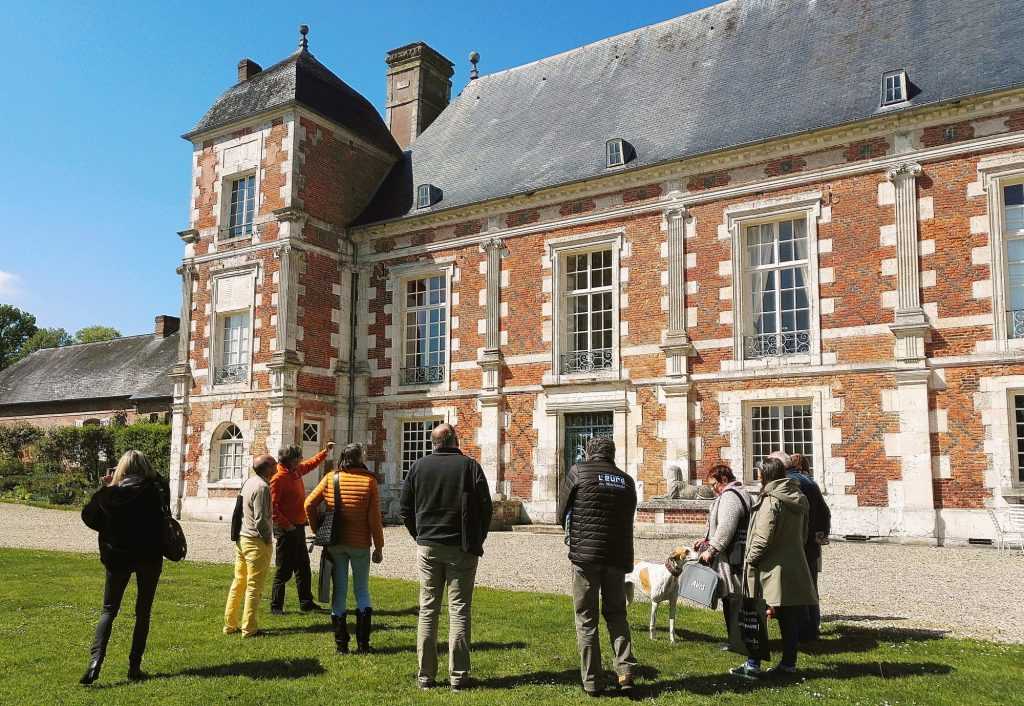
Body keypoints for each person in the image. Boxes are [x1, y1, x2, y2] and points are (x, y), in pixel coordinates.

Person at [400, 424, 492, 692]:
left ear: (434, 442)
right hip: (460, 547)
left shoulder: (418, 467)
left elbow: (406, 508)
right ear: (455, 439)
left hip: (428, 545)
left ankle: (425, 676)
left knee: (428, 610)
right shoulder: (469, 466)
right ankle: (459, 677)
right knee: (459, 610)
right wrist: (476, 539)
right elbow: (486, 508)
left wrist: (420, 535)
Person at [556, 436, 639, 697]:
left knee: (586, 618)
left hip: (586, 557)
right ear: (612, 454)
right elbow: (629, 515)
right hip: (617, 557)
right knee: (617, 615)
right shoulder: (626, 480)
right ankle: (625, 672)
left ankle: (592, 680)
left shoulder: (578, 471)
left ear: (589, 452)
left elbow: (561, 513)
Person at [80, 450, 169, 685]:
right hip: (149, 556)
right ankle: (134, 666)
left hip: (118, 556)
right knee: (143, 612)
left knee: (108, 610)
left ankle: (94, 663)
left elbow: (89, 517)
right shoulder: (156, 490)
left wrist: (105, 489)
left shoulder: (110, 495)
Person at [730, 457, 818, 680]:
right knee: (789, 619)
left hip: (769, 568)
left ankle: (752, 664)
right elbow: (805, 533)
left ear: (764, 475)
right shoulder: (797, 497)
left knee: (755, 616)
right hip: (793, 564)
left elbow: (763, 537)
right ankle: (788, 664)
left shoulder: (771, 500)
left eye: (759, 473)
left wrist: (751, 559)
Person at [305, 443, 385, 654]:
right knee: (362, 590)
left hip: (336, 541)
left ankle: (341, 645)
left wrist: (318, 530)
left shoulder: (331, 478)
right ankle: (363, 644)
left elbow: (308, 504)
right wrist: (379, 546)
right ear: (360, 459)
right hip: (360, 543)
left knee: (339, 591)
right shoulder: (369, 482)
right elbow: (374, 519)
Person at [270, 441, 334, 614]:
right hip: (286, 530)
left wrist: (324, 452)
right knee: (284, 570)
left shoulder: (295, 471)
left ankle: (306, 603)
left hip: (297, 527)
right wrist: (287, 526)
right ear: (290, 460)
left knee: (303, 567)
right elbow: (273, 509)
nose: (301, 460)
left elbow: (310, 465)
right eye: (298, 457)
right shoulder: (278, 478)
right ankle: (276, 607)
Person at [695, 464, 752, 649]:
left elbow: (726, 529)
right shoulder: (739, 493)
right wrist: (704, 539)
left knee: (732, 598)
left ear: (724, 480)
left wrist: (711, 550)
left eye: (714, 484)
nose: (713, 489)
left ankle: (737, 641)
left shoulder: (730, 496)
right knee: (734, 598)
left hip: (732, 555)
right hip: (735, 552)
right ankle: (739, 639)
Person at [223, 454, 276, 638]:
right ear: (268, 468)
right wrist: (268, 539)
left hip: (242, 538)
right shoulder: (262, 487)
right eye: (274, 464)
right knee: (254, 587)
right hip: (255, 541)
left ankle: (230, 624)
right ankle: (249, 628)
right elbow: (262, 519)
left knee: (238, 583)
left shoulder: (249, 482)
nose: (276, 466)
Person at [787, 452, 831, 641]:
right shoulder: (811, 483)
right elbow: (825, 513)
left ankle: (803, 628)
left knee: (797, 587)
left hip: (798, 543)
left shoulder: (791, 484)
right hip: (811, 543)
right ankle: (812, 626)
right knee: (811, 586)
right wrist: (820, 536)